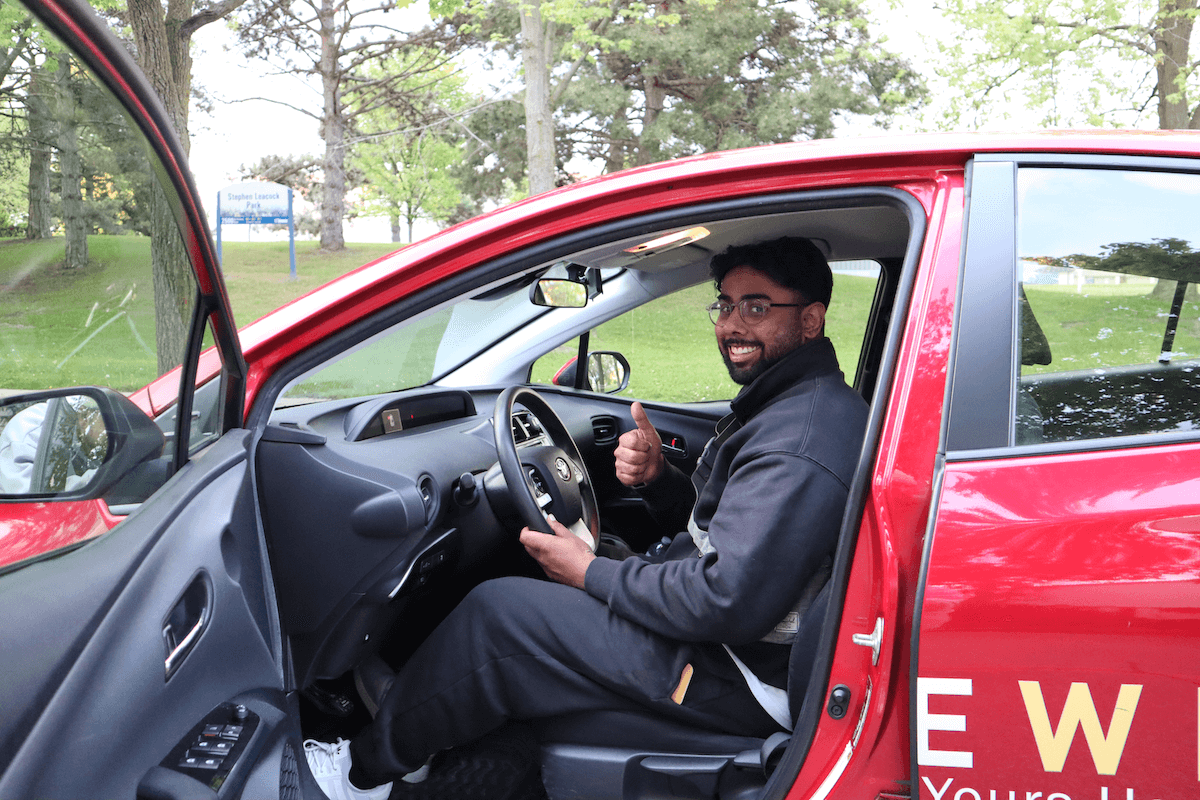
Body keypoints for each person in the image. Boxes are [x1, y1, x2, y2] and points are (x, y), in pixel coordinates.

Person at [303, 236, 870, 800]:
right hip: (735, 645)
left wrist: (589, 574)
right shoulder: (792, 405)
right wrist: (660, 480)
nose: (731, 325)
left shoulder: (799, 440)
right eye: (724, 304)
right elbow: (725, 533)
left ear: (812, 320)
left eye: (757, 307)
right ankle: (423, 718)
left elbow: (724, 599)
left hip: (740, 675)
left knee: (499, 613)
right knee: (576, 563)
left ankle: (361, 775)